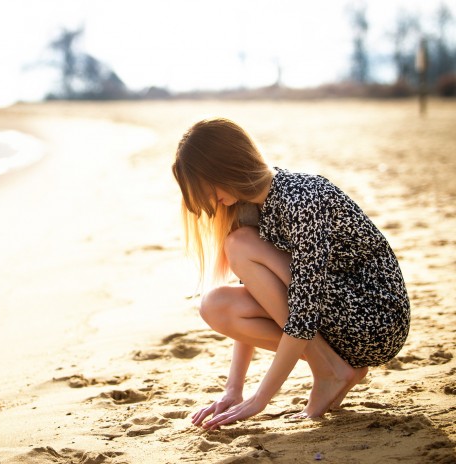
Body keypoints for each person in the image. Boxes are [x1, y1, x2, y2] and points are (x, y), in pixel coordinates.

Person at [171, 118, 410, 429]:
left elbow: (305, 309)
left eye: (206, 188)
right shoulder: (250, 208)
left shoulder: (300, 197)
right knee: (216, 306)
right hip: (335, 314)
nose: (208, 202)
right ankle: (333, 367)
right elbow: (269, 296)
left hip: (374, 318)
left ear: (225, 167)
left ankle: (329, 372)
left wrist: (260, 399)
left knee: (239, 244)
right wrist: (234, 389)